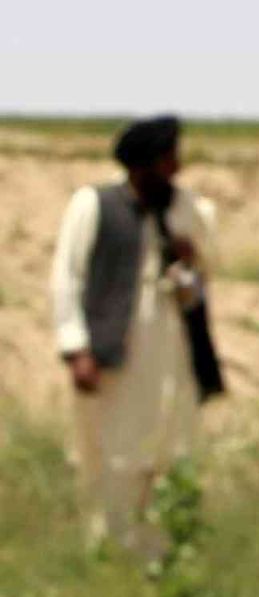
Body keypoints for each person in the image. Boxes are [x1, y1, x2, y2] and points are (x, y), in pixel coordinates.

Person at [48, 115, 224, 556]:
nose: (175, 169)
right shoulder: (94, 205)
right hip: (115, 353)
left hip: (173, 349)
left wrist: (191, 257)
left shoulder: (188, 209)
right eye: (167, 160)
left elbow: (207, 271)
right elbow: (66, 278)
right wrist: (76, 347)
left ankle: (162, 552)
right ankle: (109, 549)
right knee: (114, 452)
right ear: (142, 166)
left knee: (171, 447)